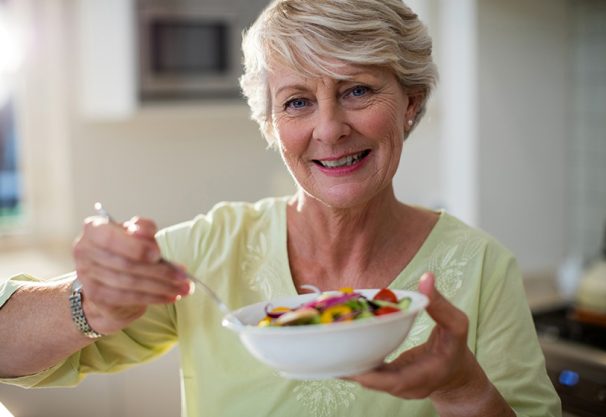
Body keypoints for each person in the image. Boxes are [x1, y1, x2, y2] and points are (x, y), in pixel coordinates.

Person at [0, 0, 561, 416]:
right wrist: (90, 301)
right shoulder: (211, 250)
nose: (330, 128)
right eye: (297, 102)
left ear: (410, 103)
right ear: (271, 125)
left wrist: (464, 389)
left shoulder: (483, 268)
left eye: (358, 90)